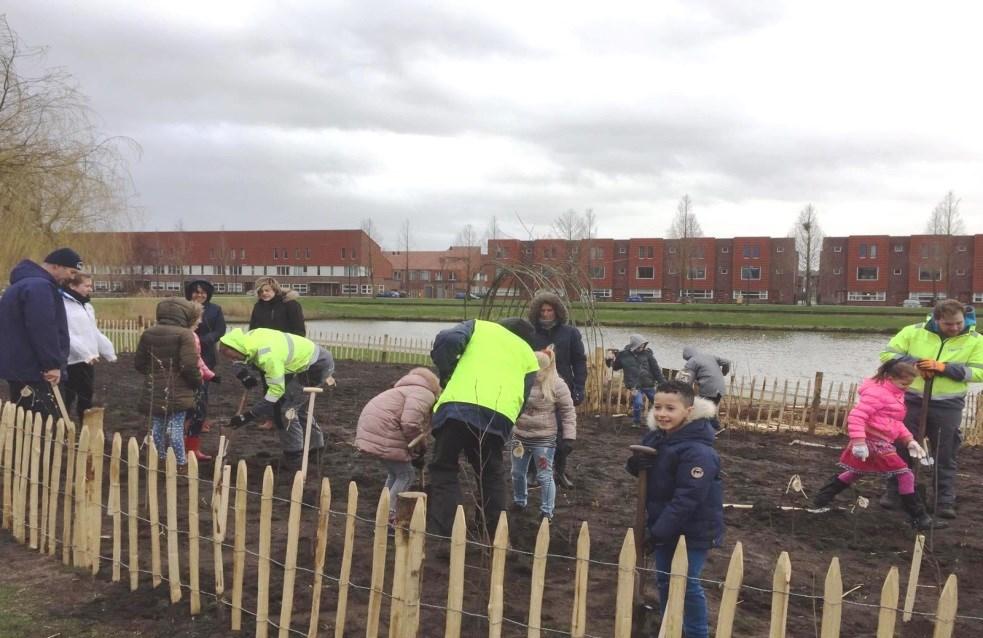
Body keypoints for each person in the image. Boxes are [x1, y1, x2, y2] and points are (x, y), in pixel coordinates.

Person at [625, 380, 723, 638]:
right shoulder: (658, 437)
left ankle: (696, 633)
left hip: (694, 529)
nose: (662, 414)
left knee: (687, 584)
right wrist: (636, 464)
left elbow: (688, 498)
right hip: (664, 524)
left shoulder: (699, 451)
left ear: (688, 411)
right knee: (665, 579)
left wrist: (657, 532)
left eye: (670, 408)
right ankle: (672, 626)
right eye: (657, 407)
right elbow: (647, 470)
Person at [427, 317, 540, 537]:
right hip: (498, 417)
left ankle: (445, 532)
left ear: (501, 326)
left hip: (457, 407)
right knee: (491, 473)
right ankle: (492, 533)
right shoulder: (530, 356)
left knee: (444, 467)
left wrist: (446, 372)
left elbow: (448, 339)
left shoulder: (481, 327)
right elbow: (523, 397)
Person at [878, 299, 983, 519]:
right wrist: (916, 365)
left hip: (948, 405)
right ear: (936, 320)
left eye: (958, 323)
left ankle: (943, 499)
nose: (954, 328)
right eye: (948, 324)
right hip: (911, 400)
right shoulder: (912, 332)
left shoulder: (976, 341)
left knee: (945, 452)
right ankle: (896, 492)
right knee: (902, 446)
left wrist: (944, 368)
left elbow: (978, 372)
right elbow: (887, 356)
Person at [813, 360, 944, 529]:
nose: (906, 387)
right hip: (873, 442)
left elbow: (894, 422)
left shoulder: (895, 394)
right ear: (890, 378)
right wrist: (859, 442)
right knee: (905, 475)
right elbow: (856, 417)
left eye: (909, 384)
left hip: (879, 440)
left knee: (856, 472)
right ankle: (920, 518)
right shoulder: (877, 394)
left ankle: (822, 498)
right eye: (903, 383)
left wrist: (909, 440)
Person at [219, 327, 334, 476]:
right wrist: (243, 373)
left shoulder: (269, 356)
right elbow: (242, 358)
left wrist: (248, 416)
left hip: (315, 366)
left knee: (285, 411)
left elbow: (274, 394)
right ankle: (316, 446)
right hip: (304, 360)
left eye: (233, 357)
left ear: (238, 348)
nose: (232, 360)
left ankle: (294, 457)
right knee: (298, 408)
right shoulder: (248, 339)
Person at [0, 248, 83, 419]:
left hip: (20, 367)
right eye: (71, 271)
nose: (72, 277)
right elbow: (43, 327)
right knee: (43, 422)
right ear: (56, 266)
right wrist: (51, 364)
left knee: (25, 420)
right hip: (36, 371)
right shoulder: (40, 287)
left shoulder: (20, 286)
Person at [355, 367, 441, 524]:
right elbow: (410, 422)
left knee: (395, 473)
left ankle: (384, 509)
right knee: (406, 474)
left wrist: (415, 449)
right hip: (383, 430)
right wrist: (419, 446)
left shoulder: (406, 389)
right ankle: (389, 516)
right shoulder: (424, 393)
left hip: (372, 428)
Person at [526, 291, 586, 488]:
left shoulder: (570, 334)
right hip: (536, 389)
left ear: (557, 311)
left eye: (549, 310)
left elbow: (579, 361)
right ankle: (533, 472)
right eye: (542, 310)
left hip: (562, 387)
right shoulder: (530, 334)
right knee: (534, 430)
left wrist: (579, 387)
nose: (546, 314)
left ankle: (559, 471)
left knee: (562, 432)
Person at [134, 298, 203, 470]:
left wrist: (154, 375)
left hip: (154, 386)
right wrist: (197, 382)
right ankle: (180, 463)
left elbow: (139, 363)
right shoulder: (184, 334)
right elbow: (189, 364)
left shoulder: (148, 333)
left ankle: (160, 459)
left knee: (157, 425)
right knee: (176, 427)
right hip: (178, 388)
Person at [510, 349, 577, 522]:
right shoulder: (521, 381)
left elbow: (568, 411)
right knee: (517, 472)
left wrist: (569, 436)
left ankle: (547, 511)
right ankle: (519, 501)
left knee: (544, 475)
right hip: (520, 436)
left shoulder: (557, 385)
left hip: (544, 438)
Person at [61, 272, 117, 420]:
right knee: (67, 396)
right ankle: (61, 427)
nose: (90, 289)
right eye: (86, 286)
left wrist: (107, 350)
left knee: (86, 395)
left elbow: (93, 331)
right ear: (72, 285)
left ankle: (85, 428)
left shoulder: (86, 306)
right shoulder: (63, 306)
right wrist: (85, 353)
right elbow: (67, 334)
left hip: (87, 361)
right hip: (71, 360)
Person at [184, 280, 226, 434]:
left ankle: (201, 419)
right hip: (187, 351)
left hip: (207, 353)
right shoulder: (184, 308)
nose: (199, 295)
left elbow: (220, 330)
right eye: (196, 292)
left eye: (203, 293)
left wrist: (205, 340)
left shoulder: (215, 310)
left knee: (203, 389)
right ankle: (187, 418)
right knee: (188, 388)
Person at [607, 334, 667, 427]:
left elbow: (656, 370)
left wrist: (663, 383)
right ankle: (636, 422)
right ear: (634, 345)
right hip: (634, 386)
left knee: (658, 404)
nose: (642, 348)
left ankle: (661, 422)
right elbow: (615, 367)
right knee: (638, 403)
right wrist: (609, 360)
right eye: (640, 346)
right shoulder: (623, 355)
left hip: (648, 384)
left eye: (643, 345)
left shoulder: (647, 354)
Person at [184, 302, 217, 462]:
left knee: (198, 414)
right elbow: (192, 361)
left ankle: (192, 448)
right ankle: (184, 450)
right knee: (190, 415)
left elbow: (198, 359)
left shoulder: (193, 336)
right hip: (191, 382)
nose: (200, 322)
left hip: (198, 379)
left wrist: (210, 375)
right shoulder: (187, 336)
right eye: (198, 319)